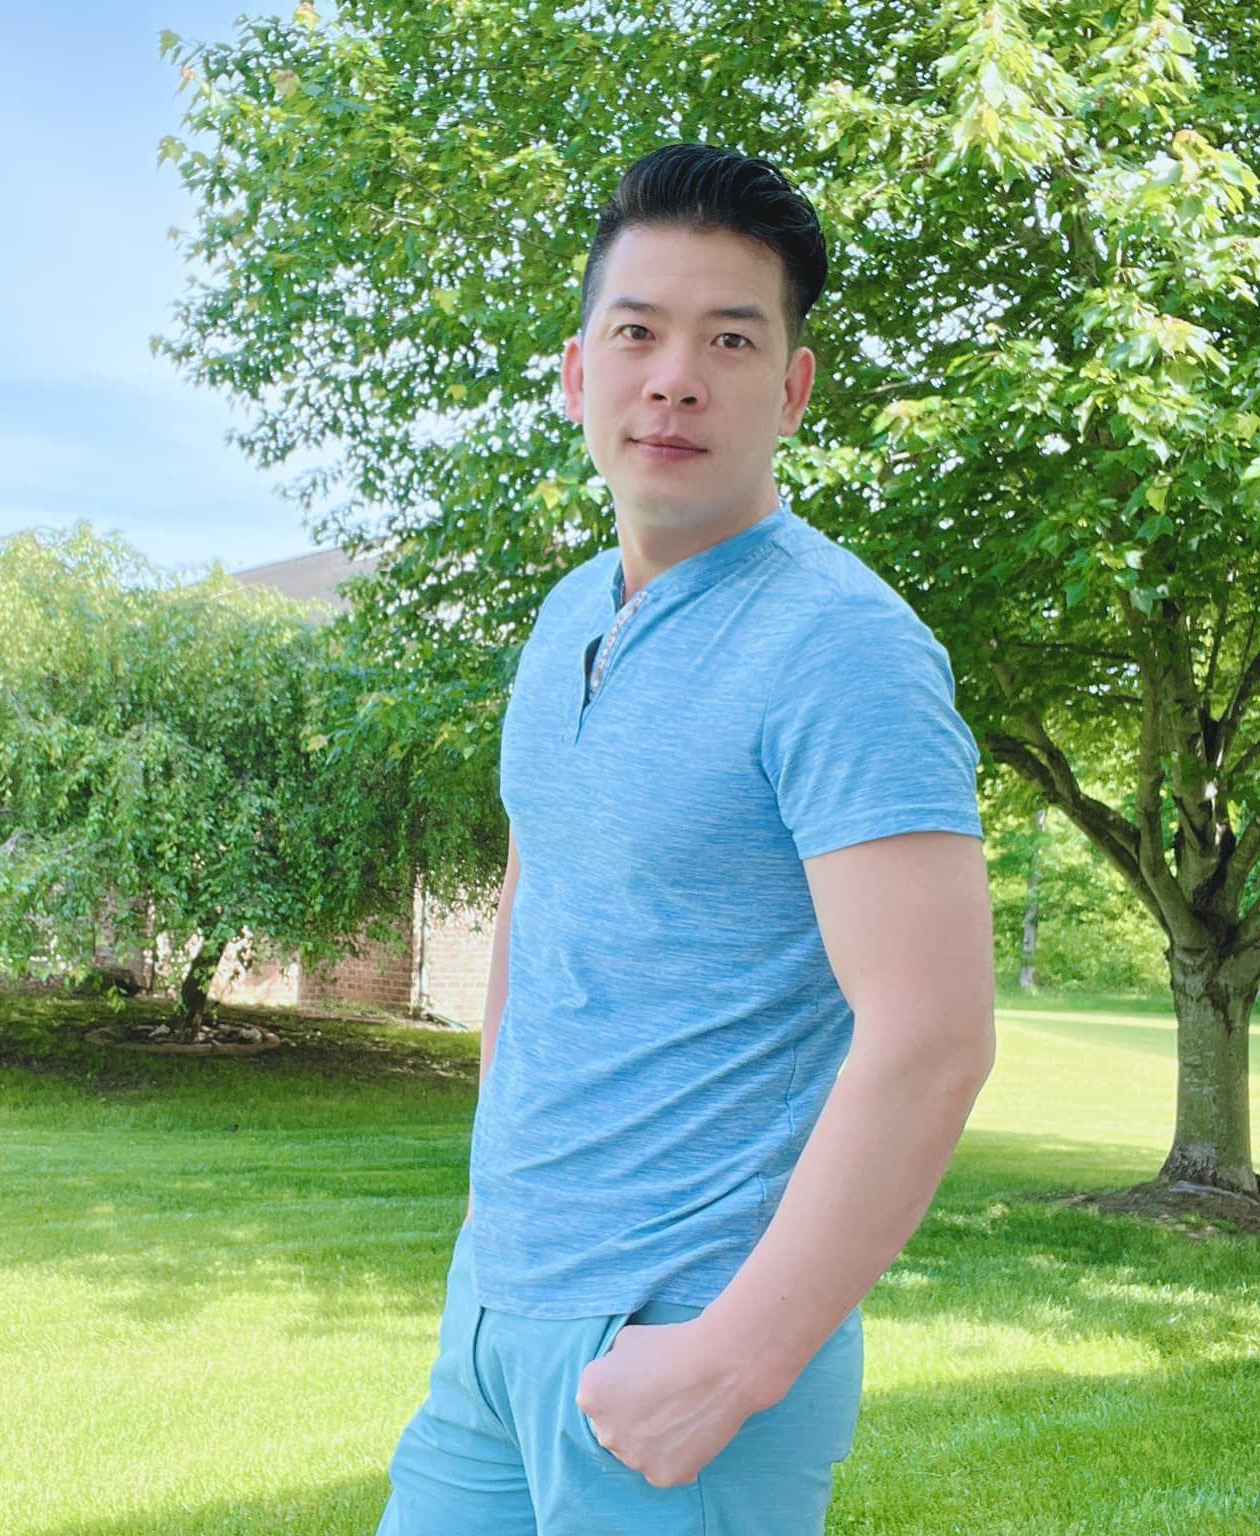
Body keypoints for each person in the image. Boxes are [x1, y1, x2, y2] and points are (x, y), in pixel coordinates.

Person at [375, 142, 996, 1536]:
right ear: (575, 373)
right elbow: (538, 907)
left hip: (683, 1337)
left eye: (730, 339)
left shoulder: (844, 649)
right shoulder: (562, 621)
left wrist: (735, 1361)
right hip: (497, 1316)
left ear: (793, 389)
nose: (675, 378)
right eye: (637, 332)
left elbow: (935, 1037)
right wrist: (494, 1215)